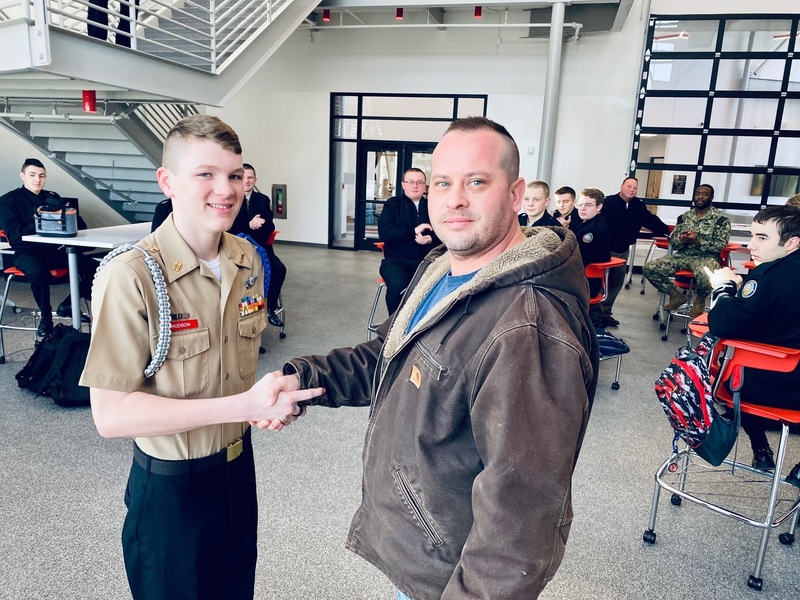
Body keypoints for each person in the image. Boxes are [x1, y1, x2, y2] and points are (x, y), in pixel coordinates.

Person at [272, 117, 597, 599]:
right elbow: (388, 355)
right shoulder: (442, 269)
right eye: (443, 182)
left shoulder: (527, 326)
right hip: (426, 553)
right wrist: (301, 378)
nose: (455, 199)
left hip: (454, 578)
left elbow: (520, 512)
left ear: (515, 194)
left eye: (477, 181)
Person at [78, 115, 323, 600]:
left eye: (234, 175)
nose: (225, 190)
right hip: (172, 491)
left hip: (236, 471)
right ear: (167, 182)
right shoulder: (133, 276)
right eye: (205, 175)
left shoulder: (247, 258)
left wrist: (268, 397)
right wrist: (244, 406)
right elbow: (110, 415)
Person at [706, 205, 800, 480]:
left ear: (792, 243)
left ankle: (760, 445)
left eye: (762, 238)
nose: (750, 245)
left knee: (736, 376)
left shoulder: (768, 276)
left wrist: (724, 287)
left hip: (772, 386)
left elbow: (723, 324)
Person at [0, 158, 96, 337]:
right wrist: (46, 223)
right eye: (32, 175)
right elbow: (15, 236)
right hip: (25, 252)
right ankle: (46, 318)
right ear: (23, 176)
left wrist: (64, 219)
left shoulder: (52, 197)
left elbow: (76, 224)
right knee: (39, 272)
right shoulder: (8, 201)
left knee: (97, 267)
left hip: (53, 251)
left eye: (41, 176)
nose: (37, 179)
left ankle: (68, 305)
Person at [643, 184, 731, 318]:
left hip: (707, 257)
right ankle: (675, 295)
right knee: (650, 268)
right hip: (684, 255)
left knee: (705, 273)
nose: (700, 197)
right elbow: (674, 242)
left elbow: (721, 245)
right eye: (698, 193)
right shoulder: (684, 217)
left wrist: (698, 241)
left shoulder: (720, 219)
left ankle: (700, 300)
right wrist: (682, 239)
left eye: (705, 194)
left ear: (712, 197)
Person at [600, 176, 670, 327]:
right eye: (628, 186)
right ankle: (594, 315)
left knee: (616, 283)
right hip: (605, 250)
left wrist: (668, 231)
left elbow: (650, 220)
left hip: (623, 251)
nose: (631, 190)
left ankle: (606, 313)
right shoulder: (608, 203)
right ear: (621, 187)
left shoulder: (638, 205)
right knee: (601, 284)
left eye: (635, 187)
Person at [229, 163, 287, 328]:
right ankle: (243, 318)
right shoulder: (230, 200)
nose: (246, 181)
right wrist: (250, 225)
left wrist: (256, 229)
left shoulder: (263, 200)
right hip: (235, 248)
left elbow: (270, 226)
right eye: (243, 177)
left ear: (255, 180)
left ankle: (269, 309)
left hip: (260, 247)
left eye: (250, 177)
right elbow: (228, 227)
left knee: (279, 269)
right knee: (243, 277)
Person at [377, 167, 440, 314]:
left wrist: (431, 239)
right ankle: (395, 329)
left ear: (425, 185)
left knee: (439, 288)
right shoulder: (393, 205)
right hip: (397, 261)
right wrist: (414, 230)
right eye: (411, 181)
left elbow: (446, 234)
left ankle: (422, 328)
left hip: (428, 261)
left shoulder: (434, 207)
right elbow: (385, 233)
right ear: (403, 184)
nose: (415, 185)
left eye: (420, 182)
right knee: (398, 287)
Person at [573, 188, 611, 327]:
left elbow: (576, 255)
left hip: (587, 283)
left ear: (599, 207)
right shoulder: (582, 222)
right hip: (579, 277)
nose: (582, 209)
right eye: (580, 205)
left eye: (588, 205)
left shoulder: (595, 228)